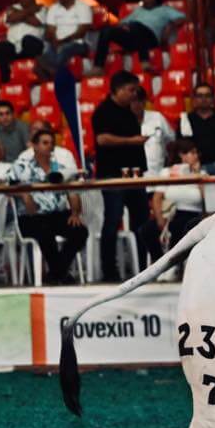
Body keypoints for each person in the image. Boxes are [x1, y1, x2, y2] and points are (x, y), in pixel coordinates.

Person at [9, 129, 87, 285]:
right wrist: (25, 195)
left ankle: (56, 273)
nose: (49, 147)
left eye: (52, 143)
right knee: (45, 232)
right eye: (45, 143)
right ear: (35, 146)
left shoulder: (61, 169)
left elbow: (73, 193)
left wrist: (75, 213)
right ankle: (61, 273)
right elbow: (8, 188)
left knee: (80, 231)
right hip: (31, 216)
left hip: (57, 214)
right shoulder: (21, 166)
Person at [92, 71, 150, 282]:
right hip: (113, 175)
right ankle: (109, 271)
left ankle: (143, 266)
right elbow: (102, 140)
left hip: (135, 175)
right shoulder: (103, 111)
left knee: (142, 222)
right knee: (112, 222)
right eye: (130, 90)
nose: (134, 94)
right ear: (117, 89)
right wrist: (132, 141)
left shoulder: (130, 110)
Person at [138, 138, 205, 267]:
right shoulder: (167, 172)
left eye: (196, 153)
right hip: (170, 213)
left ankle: (175, 266)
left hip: (193, 214)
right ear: (182, 155)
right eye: (192, 153)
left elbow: (206, 199)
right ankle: (160, 264)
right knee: (146, 229)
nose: (196, 156)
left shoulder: (202, 174)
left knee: (179, 226)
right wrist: (159, 220)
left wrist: (197, 175)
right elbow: (157, 198)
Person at [91, 0, 186, 75]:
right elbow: (122, 22)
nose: (146, 0)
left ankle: (145, 61)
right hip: (133, 38)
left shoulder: (164, 9)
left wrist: (170, 25)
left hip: (151, 39)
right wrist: (123, 26)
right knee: (106, 31)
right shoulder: (138, 11)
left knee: (137, 26)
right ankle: (98, 67)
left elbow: (183, 17)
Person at [37, 0, 92, 80]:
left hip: (78, 43)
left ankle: (51, 72)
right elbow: (50, 30)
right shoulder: (53, 8)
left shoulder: (83, 8)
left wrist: (63, 41)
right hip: (56, 43)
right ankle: (52, 72)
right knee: (46, 51)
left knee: (65, 49)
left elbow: (81, 32)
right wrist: (54, 41)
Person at [0, 0, 47, 84]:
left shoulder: (42, 8)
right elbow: (10, 18)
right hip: (13, 48)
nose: (21, 0)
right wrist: (30, 11)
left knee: (28, 40)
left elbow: (36, 22)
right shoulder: (16, 7)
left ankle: (33, 72)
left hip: (30, 47)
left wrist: (19, 14)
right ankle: (5, 80)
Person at [178, 83, 215, 165]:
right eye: (200, 96)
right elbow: (181, 148)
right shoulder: (186, 120)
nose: (204, 99)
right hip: (193, 168)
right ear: (194, 99)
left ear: (213, 98)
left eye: (207, 95)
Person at [130, 86, 175, 176]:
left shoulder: (157, 117)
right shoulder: (123, 122)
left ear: (145, 102)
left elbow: (171, 141)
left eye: (140, 100)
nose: (137, 104)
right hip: (134, 177)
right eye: (133, 101)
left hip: (158, 175)